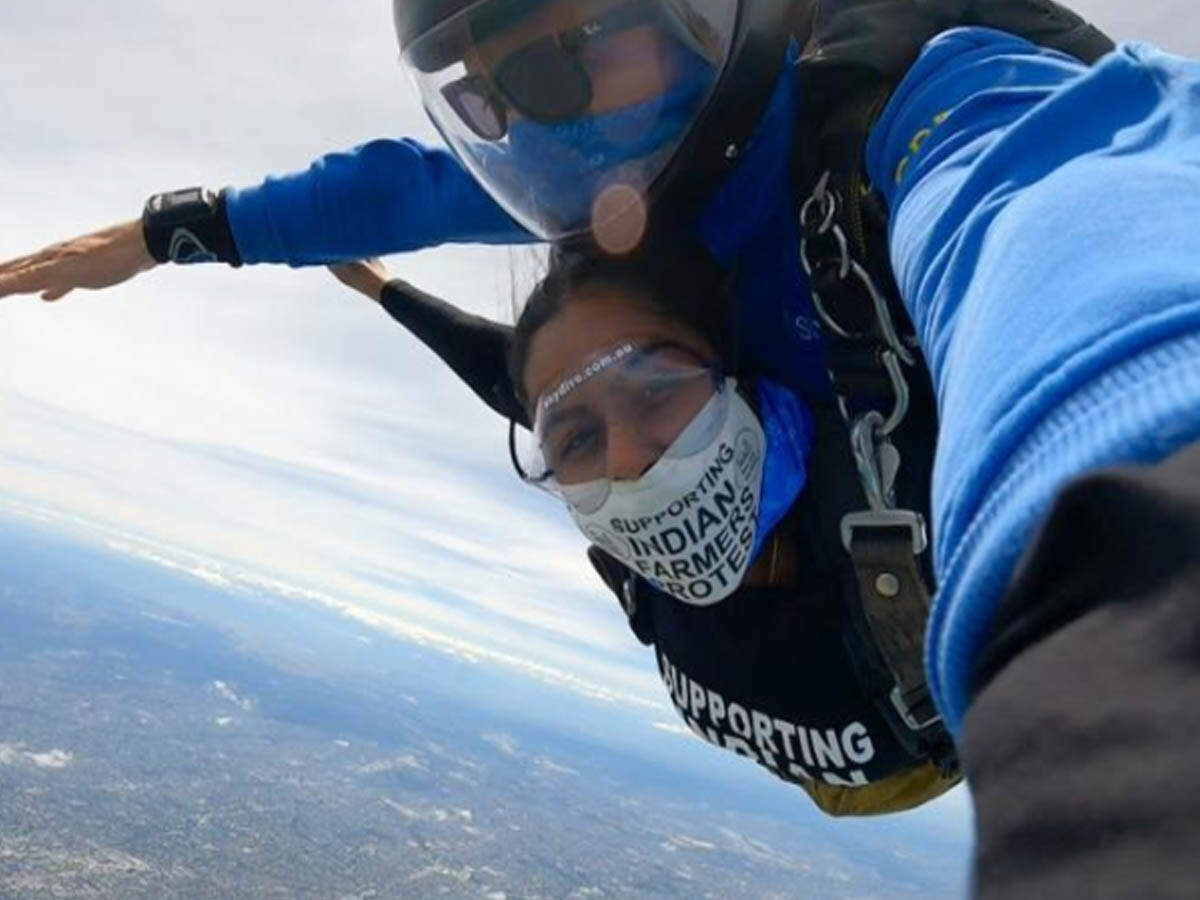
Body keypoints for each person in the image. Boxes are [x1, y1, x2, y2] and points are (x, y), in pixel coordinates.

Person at [330, 238, 962, 817]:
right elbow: (496, 372)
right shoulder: (624, 496)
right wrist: (380, 287)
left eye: (657, 388)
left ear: (735, 377)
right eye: (575, 436)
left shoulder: (922, 500)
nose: (629, 463)